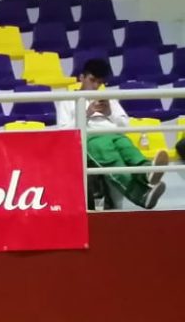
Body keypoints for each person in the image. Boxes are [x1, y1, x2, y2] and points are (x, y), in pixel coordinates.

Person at [57, 59, 169, 210]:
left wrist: (110, 112)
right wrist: (87, 113)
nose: (95, 86)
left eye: (99, 82)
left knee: (128, 148)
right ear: (81, 77)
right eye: (92, 80)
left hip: (114, 134)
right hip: (90, 138)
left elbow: (125, 126)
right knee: (112, 161)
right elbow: (64, 132)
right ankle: (141, 195)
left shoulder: (108, 98)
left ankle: (147, 171)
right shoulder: (67, 101)